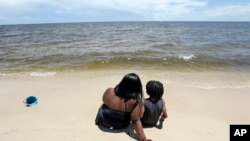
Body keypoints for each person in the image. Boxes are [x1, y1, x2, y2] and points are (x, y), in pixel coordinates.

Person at [95, 73, 152, 141]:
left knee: (104, 106)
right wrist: (143, 139)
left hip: (102, 121)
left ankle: (98, 121)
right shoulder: (134, 101)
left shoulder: (109, 91)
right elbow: (135, 121)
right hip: (119, 125)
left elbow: (104, 101)